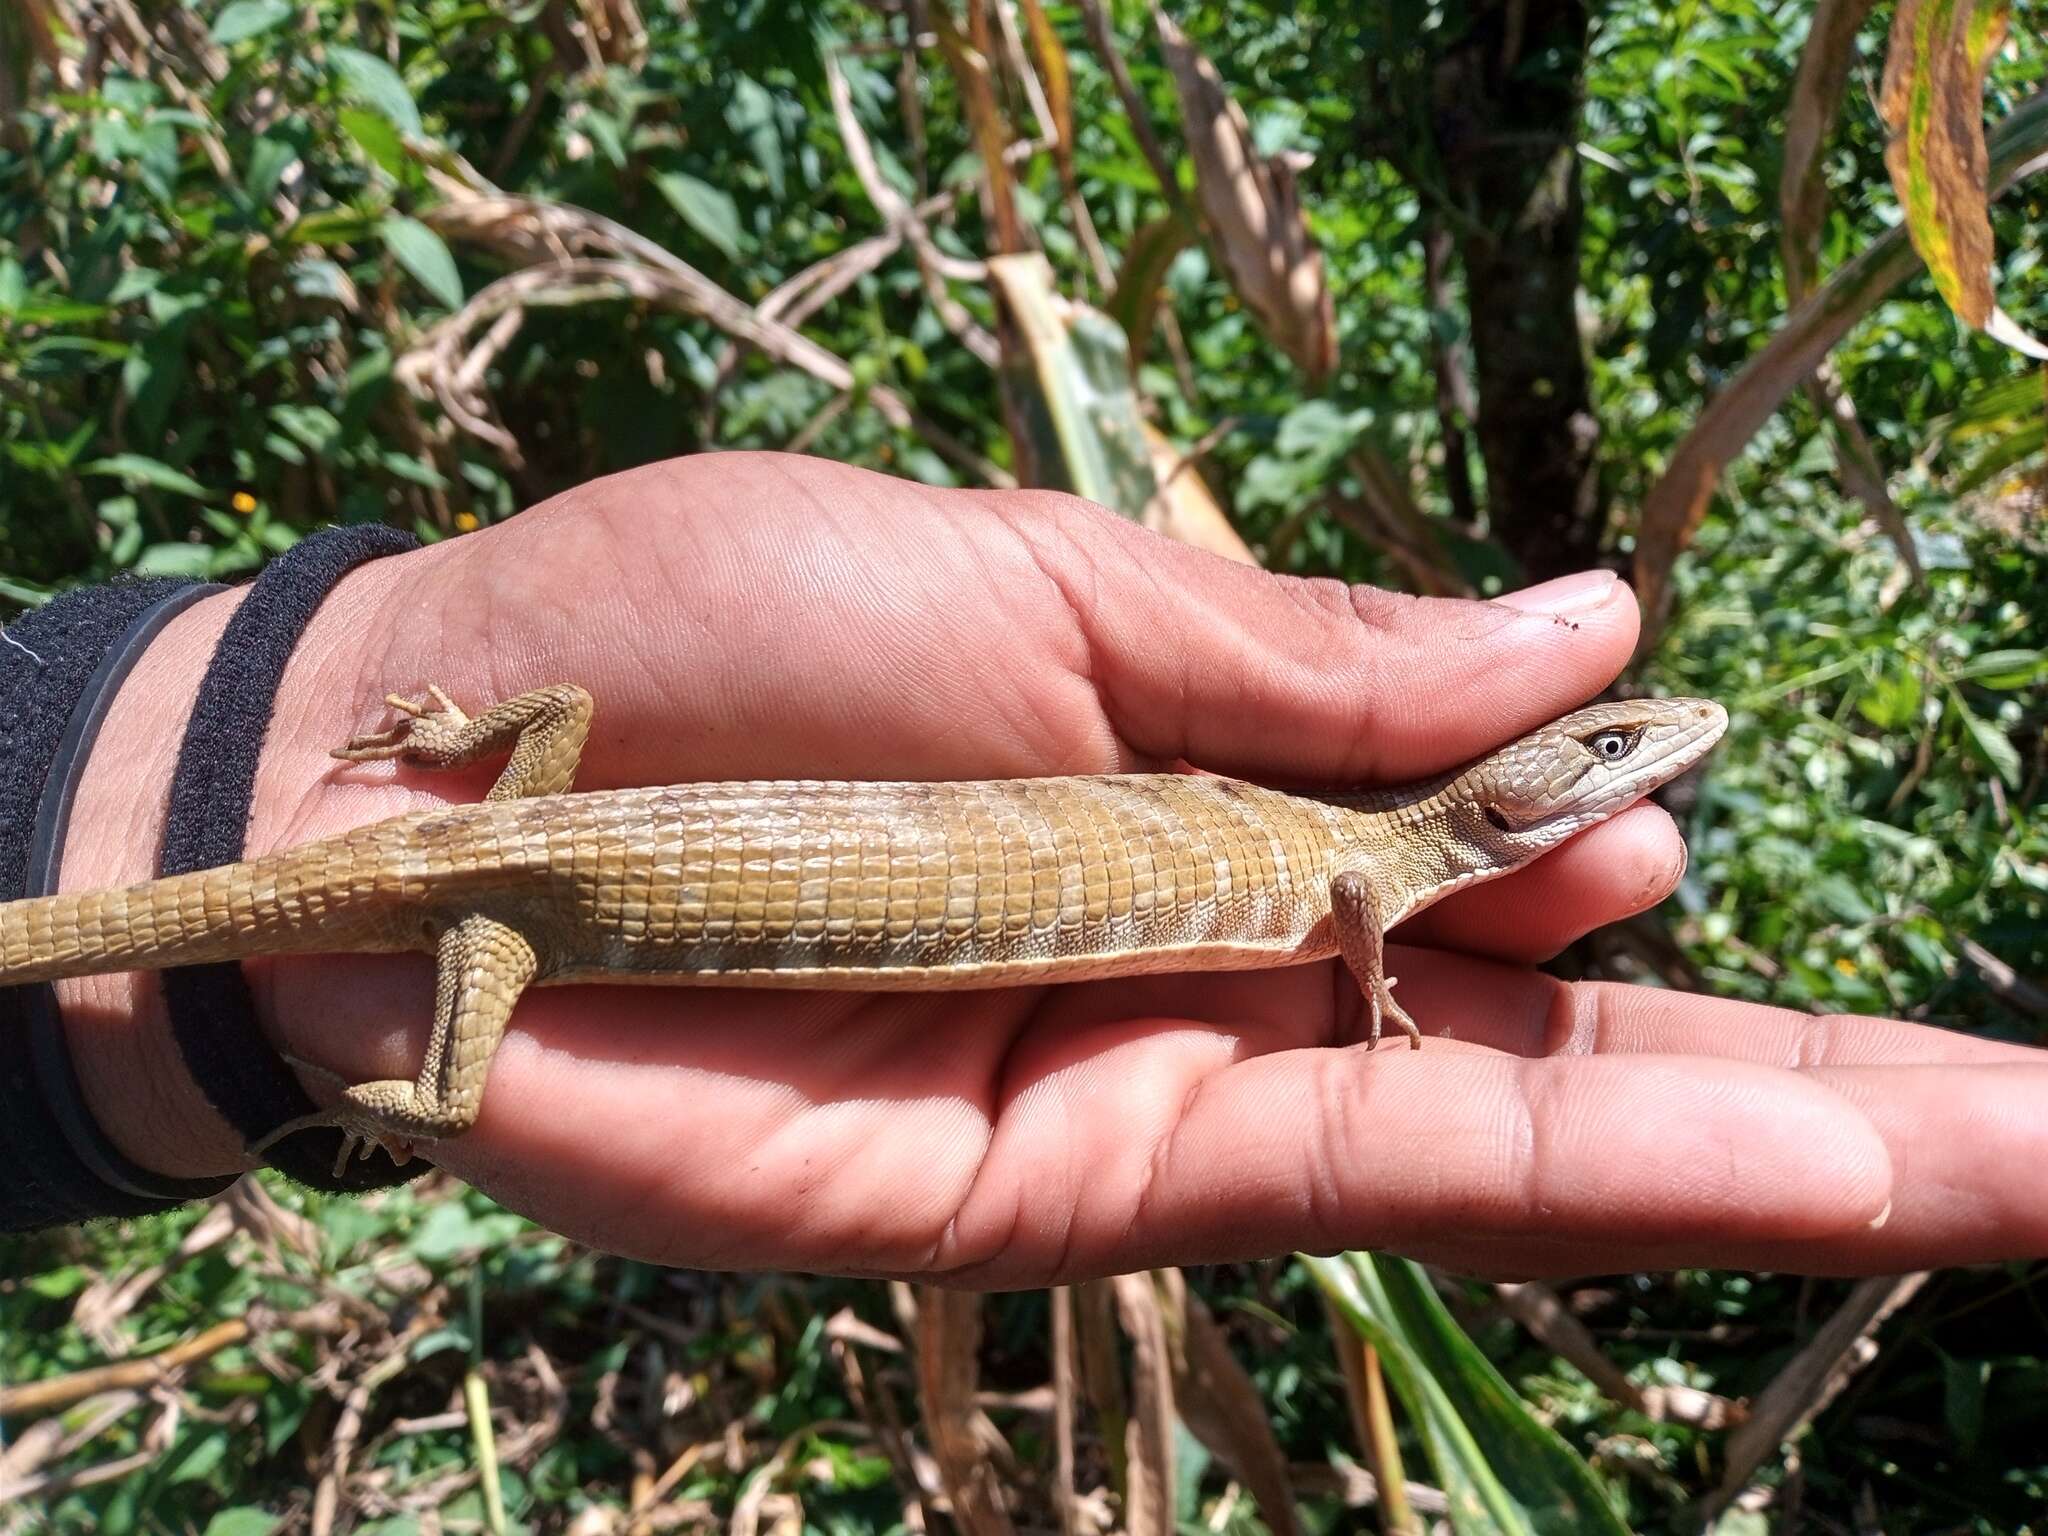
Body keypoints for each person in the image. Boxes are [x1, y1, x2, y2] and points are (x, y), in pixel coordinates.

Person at [25, 453, 2048, 1279]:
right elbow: (1358, 926)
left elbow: (1365, 914)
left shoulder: (1383, 866)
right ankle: (406, 1073)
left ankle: (337, 1019)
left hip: (521, 843)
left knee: (355, 916)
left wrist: (356, 724)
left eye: (1613, 753)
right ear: (1519, 774)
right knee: (434, 1029)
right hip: (523, 885)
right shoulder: (1367, 881)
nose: (1636, 753)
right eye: (1606, 742)